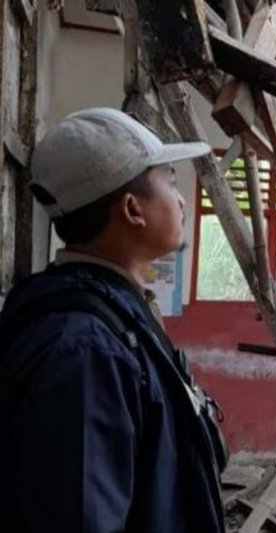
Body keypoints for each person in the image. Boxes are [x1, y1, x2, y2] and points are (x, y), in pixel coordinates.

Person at [0, 108, 226, 532]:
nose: (181, 200)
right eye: (171, 183)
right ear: (132, 210)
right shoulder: (83, 348)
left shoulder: (116, 313)